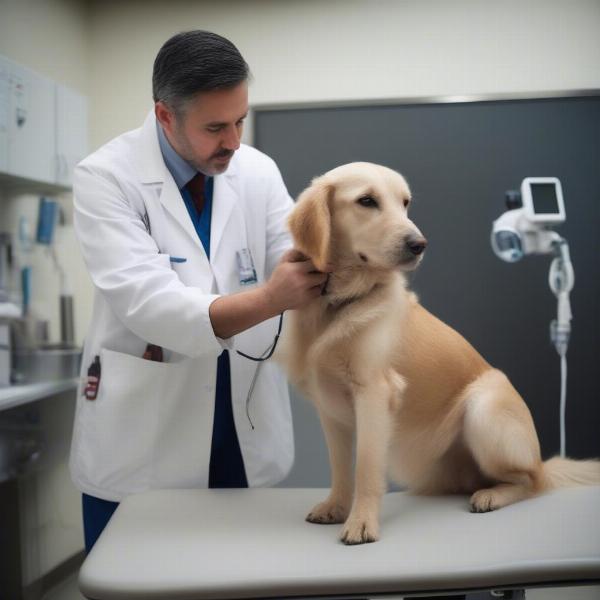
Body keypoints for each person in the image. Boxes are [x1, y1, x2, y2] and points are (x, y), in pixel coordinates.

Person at [69, 30, 327, 552]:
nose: (233, 141)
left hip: (241, 429)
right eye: (215, 127)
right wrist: (271, 298)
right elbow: (150, 305)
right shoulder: (106, 177)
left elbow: (293, 253)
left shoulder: (256, 170)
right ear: (165, 115)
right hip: (142, 440)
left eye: (239, 120)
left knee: (242, 575)